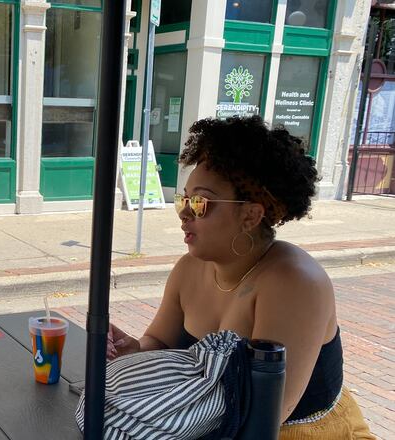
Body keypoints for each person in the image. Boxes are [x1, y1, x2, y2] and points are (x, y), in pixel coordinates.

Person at [106, 116, 374, 439]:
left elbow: (265, 415)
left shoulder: (294, 283)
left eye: (200, 203)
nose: (184, 213)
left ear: (250, 215)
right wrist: (133, 349)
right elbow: (161, 342)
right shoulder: (188, 270)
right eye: (184, 198)